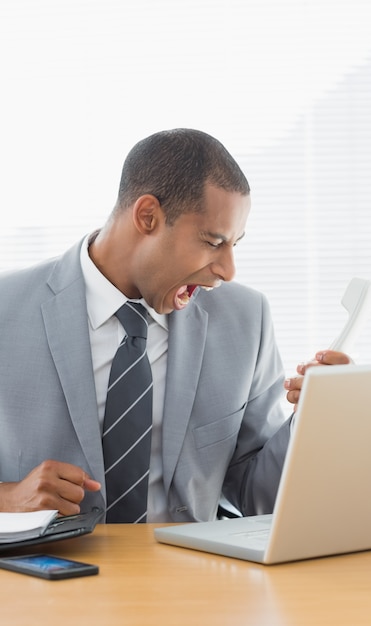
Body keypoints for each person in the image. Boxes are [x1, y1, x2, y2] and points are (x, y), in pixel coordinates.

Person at [0, 129, 348, 522]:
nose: (228, 271)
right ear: (147, 216)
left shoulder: (246, 320)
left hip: (190, 578)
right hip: (46, 576)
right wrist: (8, 498)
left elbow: (256, 498)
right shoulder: (6, 308)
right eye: (214, 242)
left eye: (236, 244)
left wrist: (314, 419)